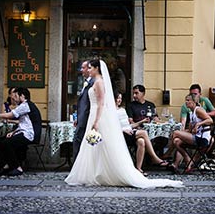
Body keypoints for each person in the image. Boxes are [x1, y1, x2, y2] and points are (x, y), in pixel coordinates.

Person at [65, 59, 182, 188]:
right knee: (94, 146)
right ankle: (93, 172)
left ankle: (100, 172)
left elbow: (101, 104)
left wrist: (96, 121)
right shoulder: (97, 82)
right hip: (93, 114)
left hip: (97, 115)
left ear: (97, 69)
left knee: (98, 144)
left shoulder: (99, 82)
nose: (88, 70)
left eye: (91, 68)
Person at [0, 87, 42, 176]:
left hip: (29, 135)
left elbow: (10, 115)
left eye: (16, 96)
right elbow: (24, 124)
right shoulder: (25, 105)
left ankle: (17, 167)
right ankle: (4, 165)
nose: (14, 98)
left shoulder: (26, 105)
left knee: (7, 143)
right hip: (24, 132)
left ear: (22, 96)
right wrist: (13, 133)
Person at [114, 92, 170, 177]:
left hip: (130, 132)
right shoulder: (110, 111)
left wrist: (141, 122)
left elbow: (129, 126)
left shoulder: (122, 110)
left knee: (141, 141)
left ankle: (138, 169)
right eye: (118, 98)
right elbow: (111, 126)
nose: (119, 100)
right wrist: (123, 130)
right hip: (120, 135)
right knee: (143, 132)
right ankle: (155, 158)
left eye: (120, 98)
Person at [169, 93, 213, 174]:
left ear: (193, 102)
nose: (186, 102)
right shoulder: (191, 113)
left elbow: (210, 120)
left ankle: (168, 154)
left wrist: (198, 124)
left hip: (202, 139)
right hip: (196, 136)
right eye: (186, 100)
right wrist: (184, 131)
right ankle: (188, 161)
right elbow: (189, 131)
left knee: (175, 133)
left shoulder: (198, 110)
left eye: (188, 100)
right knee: (176, 141)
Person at [73, 59, 93, 161]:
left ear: (89, 69)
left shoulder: (93, 83)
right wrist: (77, 117)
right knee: (78, 142)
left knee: (78, 141)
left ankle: (76, 167)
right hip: (82, 118)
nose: (81, 70)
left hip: (86, 118)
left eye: (83, 68)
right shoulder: (86, 82)